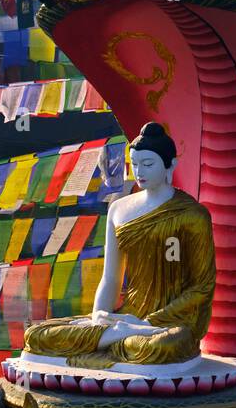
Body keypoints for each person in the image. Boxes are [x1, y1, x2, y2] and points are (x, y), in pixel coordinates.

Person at [23, 122, 216, 369]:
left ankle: (119, 336)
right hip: (124, 317)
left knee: (161, 347)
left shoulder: (193, 215)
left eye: (148, 164)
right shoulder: (119, 209)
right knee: (38, 335)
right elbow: (111, 278)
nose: (139, 171)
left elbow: (202, 286)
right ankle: (113, 335)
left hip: (168, 323)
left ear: (171, 165)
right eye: (134, 164)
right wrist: (98, 317)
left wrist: (147, 324)